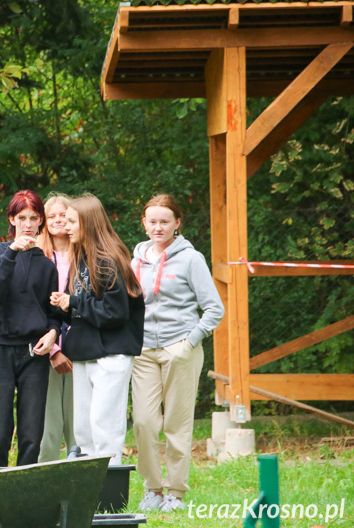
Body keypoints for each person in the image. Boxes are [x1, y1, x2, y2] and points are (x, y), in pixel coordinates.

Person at [131, 194, 223, 512]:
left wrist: (189, 343)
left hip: (179, 349)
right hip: (143, 351)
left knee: (176, 423)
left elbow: (214, 308)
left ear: (177, 224)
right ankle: (152, 489)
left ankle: (175, 492)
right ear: (144, 224)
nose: (158, 227)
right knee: (143, 422)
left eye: (165, 221)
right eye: (152, 221)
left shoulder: (190, 258)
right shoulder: (136, 259)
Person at [51, 193, 143, 466]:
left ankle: (109, 491)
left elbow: (116, 312)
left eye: (71, 221)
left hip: (111, 354)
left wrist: (74, 301)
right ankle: (91, 493)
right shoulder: (81, 257)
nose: (66, 227)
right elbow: (79, 302)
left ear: (88, 223)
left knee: (104, 426)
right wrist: (62, 304)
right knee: (84, 429)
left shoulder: (108, 259)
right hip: (84, 352)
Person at [0, 190, 60, 471]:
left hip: (33, 353)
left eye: (33, 218)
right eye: (21, 217)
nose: (27, 224)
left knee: (31, 432)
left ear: (41, 222)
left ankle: (25, 492)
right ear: (12, 219)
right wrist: (12, 252)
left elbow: (54, 312)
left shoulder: (47, 265)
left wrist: (53, 333)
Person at [35, 193, 75, 462]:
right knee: (48, 422)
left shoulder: (83, 253)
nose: (58, 220)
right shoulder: (37, 257)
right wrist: (54, 349)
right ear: (44, 222)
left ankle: (82, 471)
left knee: (78, 418)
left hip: (81, 346)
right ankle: (45, 475)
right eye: (52, 216)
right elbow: (33, 306)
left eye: (64, 215)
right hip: (47, 346)